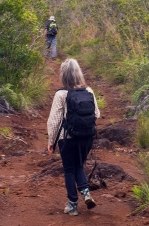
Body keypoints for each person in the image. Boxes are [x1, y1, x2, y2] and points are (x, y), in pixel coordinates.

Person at [46, 58, 100, 216]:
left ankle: (72, 205)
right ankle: (86, 194)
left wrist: (51, 142)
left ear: (64, 75)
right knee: (79, 165)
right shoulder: (88, 91)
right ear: (78, 74)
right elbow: (96, 113)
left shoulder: (61, 94)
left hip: (67, 138)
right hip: (86, 137)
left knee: (69, 169)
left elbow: (54, 121)